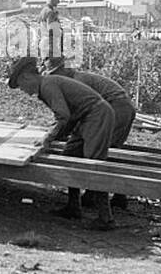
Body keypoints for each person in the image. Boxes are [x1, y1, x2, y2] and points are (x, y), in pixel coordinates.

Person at [8, 56, 115, 230]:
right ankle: (74, 207)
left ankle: (106, 218)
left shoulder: (48, 84)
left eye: (21, 86)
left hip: (97, 116)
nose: (24, 91)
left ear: (26, 77)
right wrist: (54, 137)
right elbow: (69, 117)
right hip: (85, 119)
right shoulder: (46, 85)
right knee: (69, 155)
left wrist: (48, 138)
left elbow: (63, 116)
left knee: (93, 164)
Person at [59, 65, 136, 210]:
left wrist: (62, 132)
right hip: (122, 107)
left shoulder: (77, 82)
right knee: (109, 150)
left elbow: (81, 113)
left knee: (101, 152)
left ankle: (91, 199)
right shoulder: (74, 80)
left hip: (117, 108)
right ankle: (114, 196)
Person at [40, 0, 66, 73]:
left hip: (47, 45)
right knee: (53, 72)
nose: (58, 2)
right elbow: (51, 31)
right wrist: (55, 51)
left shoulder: (45, 10)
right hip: (50, 46)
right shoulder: (50, 12)